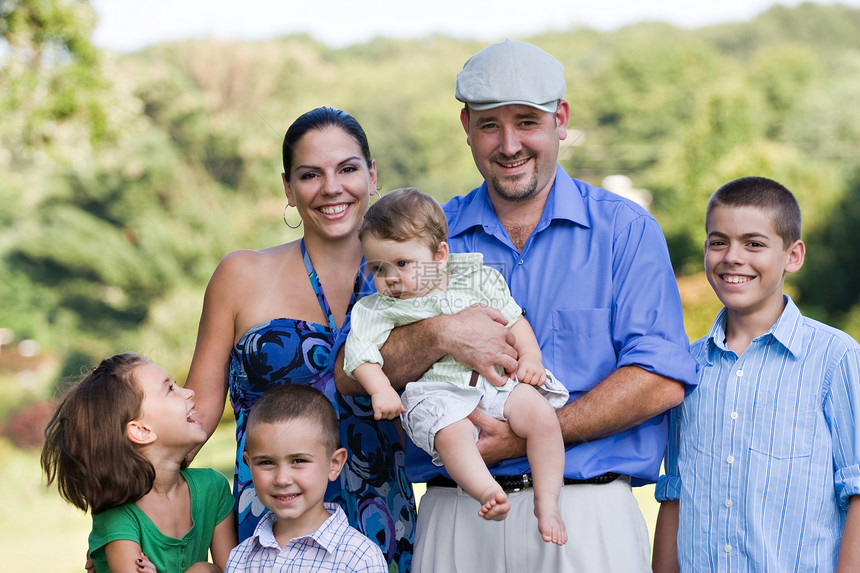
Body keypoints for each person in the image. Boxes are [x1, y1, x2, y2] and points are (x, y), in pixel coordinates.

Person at [337, 40, 699, 572]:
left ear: (562, 120)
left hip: (586, 515)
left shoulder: (623, 230)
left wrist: (527, 434)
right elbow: (355, 373)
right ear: (465, 127)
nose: (509, 144)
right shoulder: (428, 235)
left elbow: (660, 377)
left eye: (526, 121)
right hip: (457, 512)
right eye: (489, 125)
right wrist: (440, 333)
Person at [184, 107, 415, 572]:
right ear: (288, 189)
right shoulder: (240, 275)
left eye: (348, 169)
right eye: (311, 174)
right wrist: (128, 511)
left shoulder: (415, 281)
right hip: (268, 524)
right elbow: (191, 423)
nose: (332, 187)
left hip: (382, 518)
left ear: (372, 176)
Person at [651, 176, 860, 573]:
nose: (732, 256)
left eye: (754, 243)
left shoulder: (835, 359)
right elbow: (675, 492)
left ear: (793, 256)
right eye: (718, 242)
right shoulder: (686, 368)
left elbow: (859, 492)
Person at [344, 187, 570, 544]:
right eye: (377, 268)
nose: (389, 278)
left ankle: (548, 501)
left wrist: (531, 358)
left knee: (541, 416)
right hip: (437, 393)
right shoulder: (377, 308)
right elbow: (360, 356)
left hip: (495, 383)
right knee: (452, 435)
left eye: (402, 264)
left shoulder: (475, 278)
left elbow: (514, 320)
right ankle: (486, 492)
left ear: (439, 255)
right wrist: (381, 389)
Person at [41, 353, 236, 573]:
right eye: (170, 389)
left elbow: (235, 569)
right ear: (141, 431)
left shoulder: (213, 487)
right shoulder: (118, 515)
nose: (189, 392)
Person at [226, 384, 387, 572]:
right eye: (266, 462)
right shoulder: (241, 558)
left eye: (298, 460)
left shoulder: (359, 558)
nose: (282, 479)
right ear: (249, 464)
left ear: (334, 464)